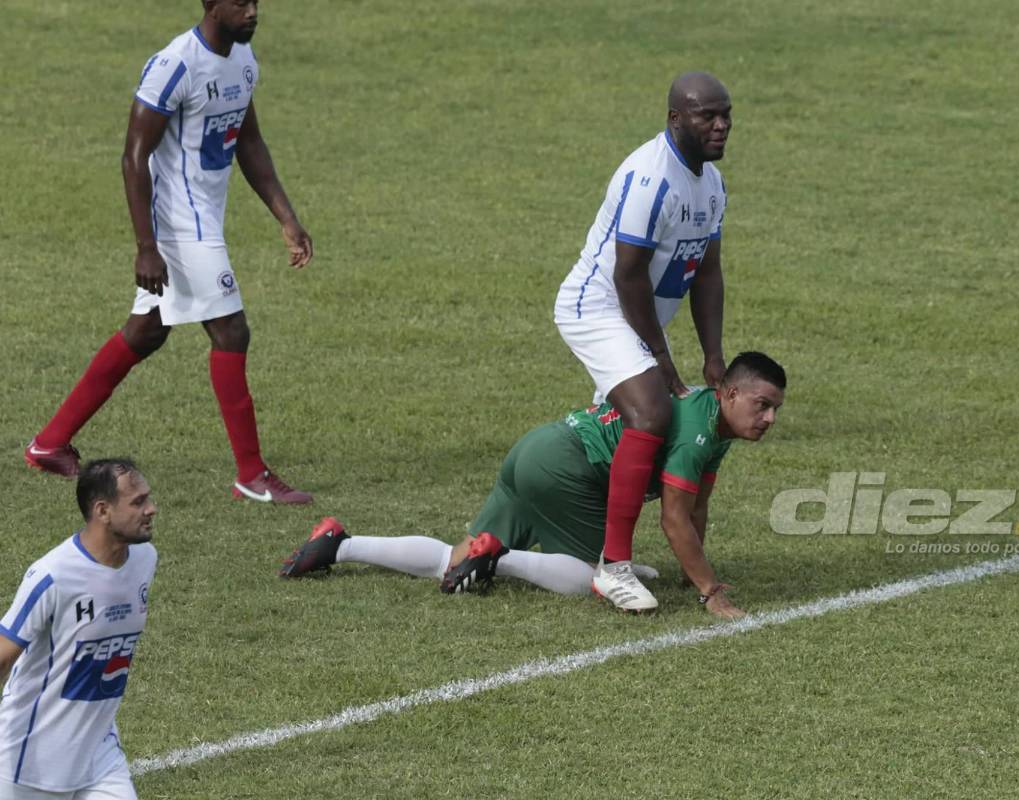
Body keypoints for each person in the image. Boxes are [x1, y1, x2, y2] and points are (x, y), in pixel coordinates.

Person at [23, 0, 314, 504]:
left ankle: (49, 444)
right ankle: (251, 474)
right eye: (240, 3)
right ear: (210, 4)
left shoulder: (243, 62)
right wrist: (146, 248)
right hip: (179, 226)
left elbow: (249, 143)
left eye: (256, 2)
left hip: (203, 219)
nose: (252, 12)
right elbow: (133, 156)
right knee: (231, 330)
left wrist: (286, 216)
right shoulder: (175, 65)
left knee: (147, 331)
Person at [280, 352, 785, 619]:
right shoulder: (699, 434)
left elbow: (695, 511)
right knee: (601, 575)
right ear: (731, 393)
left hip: (539, 447)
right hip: (570, 468)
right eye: (761, 405)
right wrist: (708, 590)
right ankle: (498, 557)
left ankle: (339, 547)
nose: (769, 418)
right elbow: (674, 518)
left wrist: (692, 569)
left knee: (455, 560)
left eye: (776, 409)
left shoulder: (710, 422)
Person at [553, 71, 733, 609]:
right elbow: (627, 275)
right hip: (597, 306)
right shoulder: (652, 179)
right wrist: (662, 360)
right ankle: (614, 566)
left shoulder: (711, 183)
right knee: (652, 412)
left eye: (726, 115)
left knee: (629, 428)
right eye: (708, 116)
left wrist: (714, 356)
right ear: (675, 118)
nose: (721, 125)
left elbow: (707, 272)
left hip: (636, 314)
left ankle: (590, 545)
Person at [0, 460, 158, 799]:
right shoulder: (52, 575)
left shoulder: (145, 560)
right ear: (102, 510)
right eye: (138, 502)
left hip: (99, 756)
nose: (151, 509)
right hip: (28, 760)